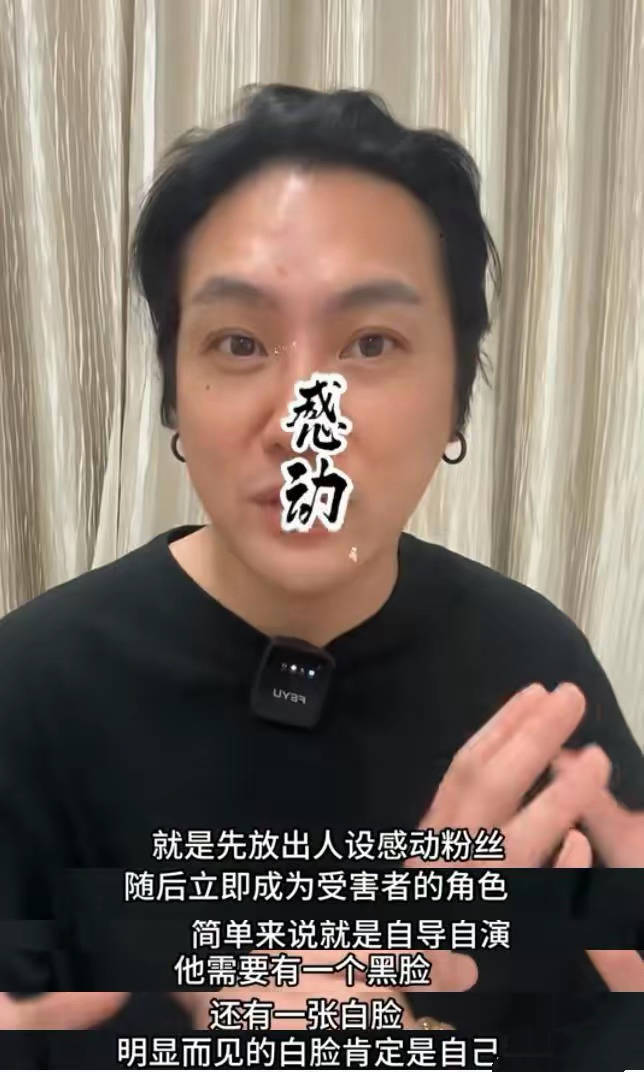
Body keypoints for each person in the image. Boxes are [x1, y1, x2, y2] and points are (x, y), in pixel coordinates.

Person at [0, 84, 642, 1070]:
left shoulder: (531, 677)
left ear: (455, 398)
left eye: (370, 344)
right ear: (173, 395)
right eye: (239, 343)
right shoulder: (31, 688)